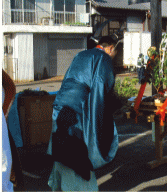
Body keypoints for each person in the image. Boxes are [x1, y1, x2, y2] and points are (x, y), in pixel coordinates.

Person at [47, 36, 119, 191]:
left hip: (61, 105)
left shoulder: (81, 54)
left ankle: (58, 186)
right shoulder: (103, 58)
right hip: (79, 107)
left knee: (62, 148)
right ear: (111, 48)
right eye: (115, 52)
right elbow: (102, 89)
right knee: (78, 153)